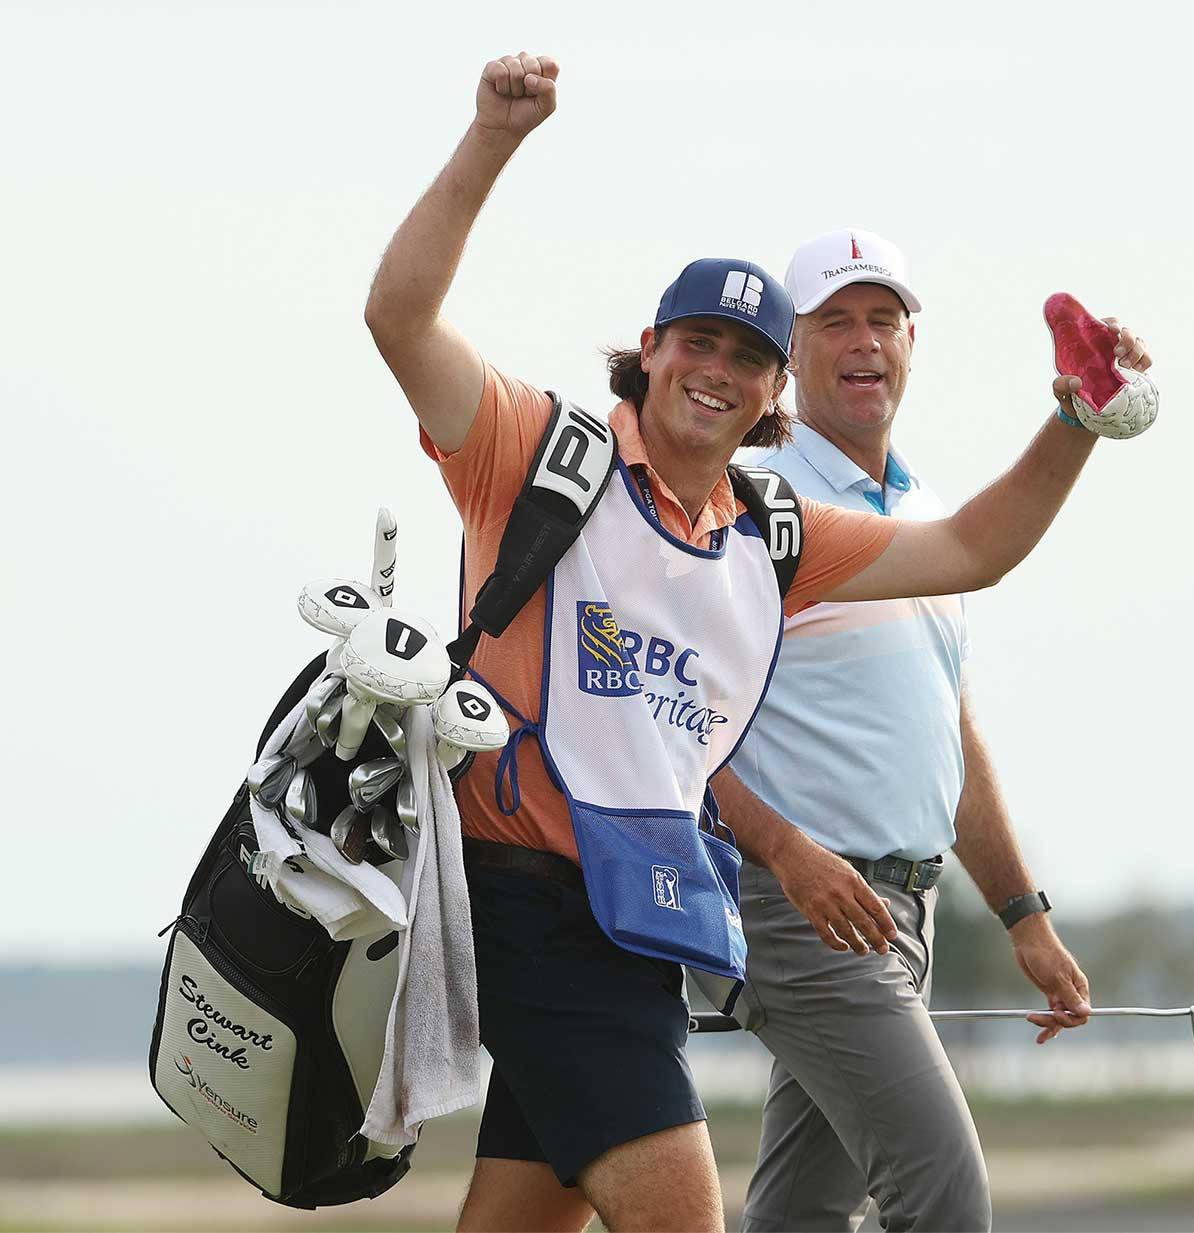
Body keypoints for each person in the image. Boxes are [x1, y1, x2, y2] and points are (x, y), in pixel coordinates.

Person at [364, 53, 1146, 1233]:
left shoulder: (767, 531)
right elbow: (399, 317)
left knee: (521, 1220)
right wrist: (492, 137)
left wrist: (1076, 418)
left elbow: (975, 548)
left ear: (772, 387)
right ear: (650, 346)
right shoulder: (537, 450)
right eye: (696, 344)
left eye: (744, 357)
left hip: (642, 914)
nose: (715, 372)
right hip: (521, 898)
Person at [705, 228, 1149, 1232]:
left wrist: (1022, 915)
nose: (863, 342)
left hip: (903, 912)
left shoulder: (923, 507)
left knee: (801, 1215)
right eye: (833, 322)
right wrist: (778, 857)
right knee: (941, 1194)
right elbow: (671, 719)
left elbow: (943, 733)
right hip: (799, 909)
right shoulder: (752, 503)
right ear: (787, 357)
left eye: (882, 320)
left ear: (910, 343)